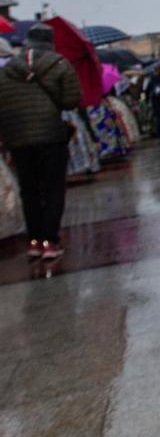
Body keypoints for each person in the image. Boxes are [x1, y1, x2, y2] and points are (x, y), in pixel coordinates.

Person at [0, 23, 81, 260]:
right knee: (54, 188)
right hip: (51, 136)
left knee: (30, 190)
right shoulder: (60, 64)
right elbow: (71, 101)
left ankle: (34, 241)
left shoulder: (7, 69)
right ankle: (51, 241)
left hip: (18, 138)